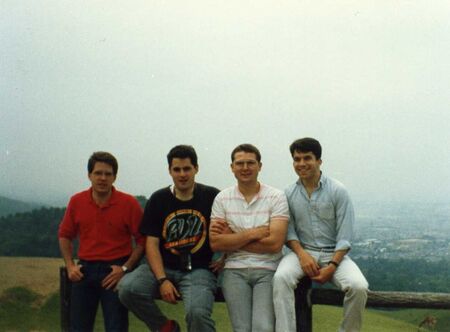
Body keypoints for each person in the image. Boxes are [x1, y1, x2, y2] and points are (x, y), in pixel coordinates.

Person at [118, 145, 221, 332]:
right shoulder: (159, 199)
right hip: (162, 266)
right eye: (177, 169)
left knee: (197, 313)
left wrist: (225, 258)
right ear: (169, 171)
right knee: (127, 288)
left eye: (187, 168)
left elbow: (232, 228)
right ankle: (165, 327)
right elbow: (152, 243)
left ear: (196, 168)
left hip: (199, 270)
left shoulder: (212, 196)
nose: (182, 174)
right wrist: (162, 280)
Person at [273, 138, 368, 332]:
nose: (301, 164)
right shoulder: (289, 193)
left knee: (358, 287)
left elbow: (345, 235)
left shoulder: (337, 191)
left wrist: (332, 266)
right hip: (301, 252)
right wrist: (302, 254)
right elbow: (289, 231)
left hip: (334, 254)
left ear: (319, 161)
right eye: (296, 159)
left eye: (307, 158)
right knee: (281, 278)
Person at [58, 151, 145, 332]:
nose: (103, 178)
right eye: (98, 173)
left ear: (115, 177)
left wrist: (125, 268)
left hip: (115, 272)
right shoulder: (77, 201)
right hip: (85, 270)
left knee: (116, 327)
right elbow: (65, 235)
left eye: (108, 174)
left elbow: (143, 241)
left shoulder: (129, 203)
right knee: (78, 328)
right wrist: (70, 265)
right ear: (89, 175)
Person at [209, 143, 289, 332]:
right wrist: (252, 234)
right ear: (232, 167)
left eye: (250, 163)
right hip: (234, 270)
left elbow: (274, 244)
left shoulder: (276, 197)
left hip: (268, 269)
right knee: (241, 329)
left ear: (260, 166)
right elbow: (216, 243)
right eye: (240, 163)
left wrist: (233, 239)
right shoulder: (222, 198)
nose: (245, 168)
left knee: (263, 327)